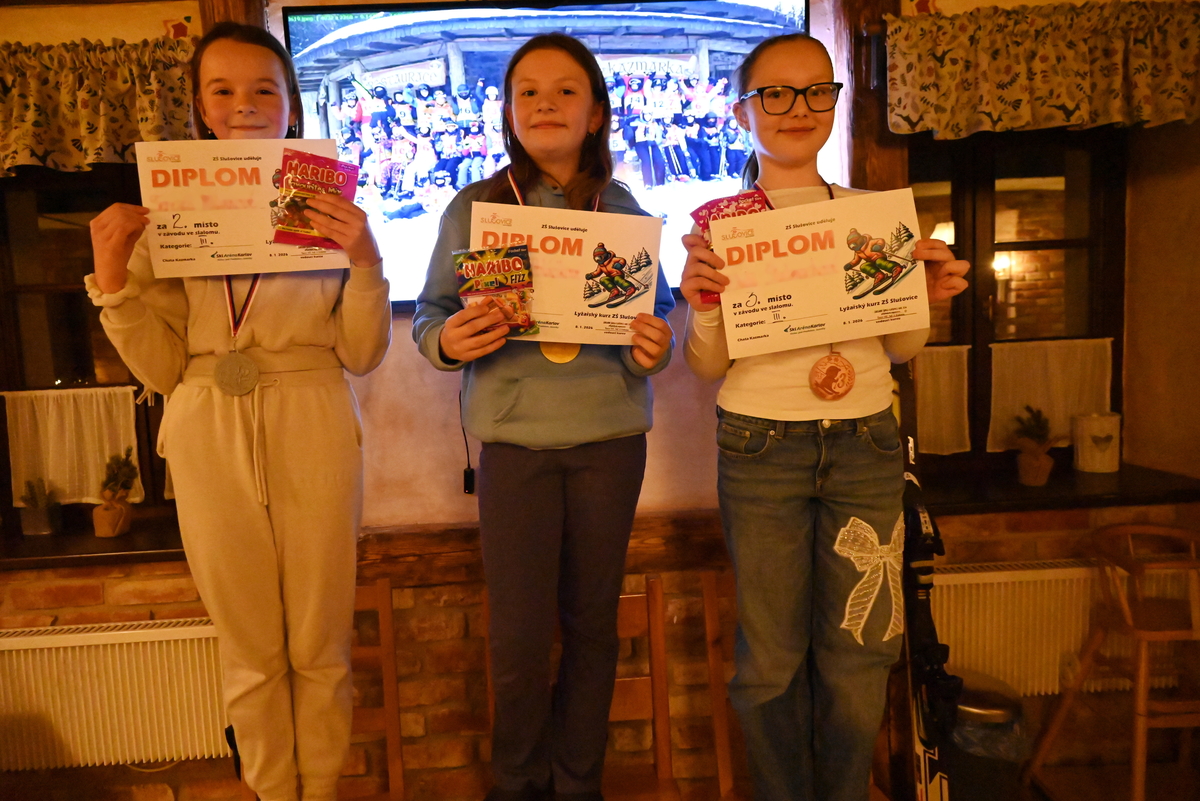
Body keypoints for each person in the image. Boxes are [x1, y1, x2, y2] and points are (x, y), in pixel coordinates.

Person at [85, 22, 392, 801]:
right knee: (250, 646)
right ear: (200, 106)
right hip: (206, 426)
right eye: (222, 90)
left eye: (264, 89)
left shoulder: (329, 208)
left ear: (292, 106)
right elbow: (162, 368)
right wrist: (113, 281)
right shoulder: (167, 213)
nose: (244, 105)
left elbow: (362, 353)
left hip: (313, 417)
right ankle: (271, 791)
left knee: (320, 642)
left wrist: (366, 262)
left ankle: (319, 791)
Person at [678, 33, 970, 801]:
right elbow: (706, 364)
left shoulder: (872, 215)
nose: (797, 108)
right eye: (774, 93)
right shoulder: (721, 225)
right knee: (770, 660)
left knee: (860, 652)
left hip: (866, 441)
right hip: (758, 443)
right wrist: (701, 301)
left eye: (817, 90)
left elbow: (901, 347)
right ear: (741, 111)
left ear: (836, 102)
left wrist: (923, 297)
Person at [412, 33, 674, 801]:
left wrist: (655, 345)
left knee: (593, 626)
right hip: (515, 447)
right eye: (527, 91)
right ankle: (518, 783)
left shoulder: (622, 210)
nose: (544, 103)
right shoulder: (476, 208)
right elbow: (430, 316)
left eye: (565, 91)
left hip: (610, 445)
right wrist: (447, 341)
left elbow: (656, 319)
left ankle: (578, 782)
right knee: (520, 636)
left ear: (596, 114)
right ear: (507, 113)